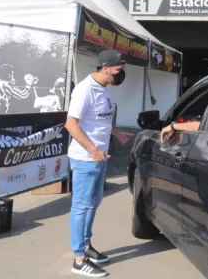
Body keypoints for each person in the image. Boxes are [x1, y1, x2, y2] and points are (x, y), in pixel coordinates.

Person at [66, 49, 127, 277]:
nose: (121, 73)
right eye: (118, 69)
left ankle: (86, 246)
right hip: (85, 159)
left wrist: (117, 134)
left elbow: (100, 121)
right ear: (104, 68)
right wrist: (92, 150)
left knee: (94, 203)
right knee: (81, 207)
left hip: (99, 157)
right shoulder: (84, 90)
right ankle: (79, 259)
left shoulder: (104, 90)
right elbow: (71, 125)